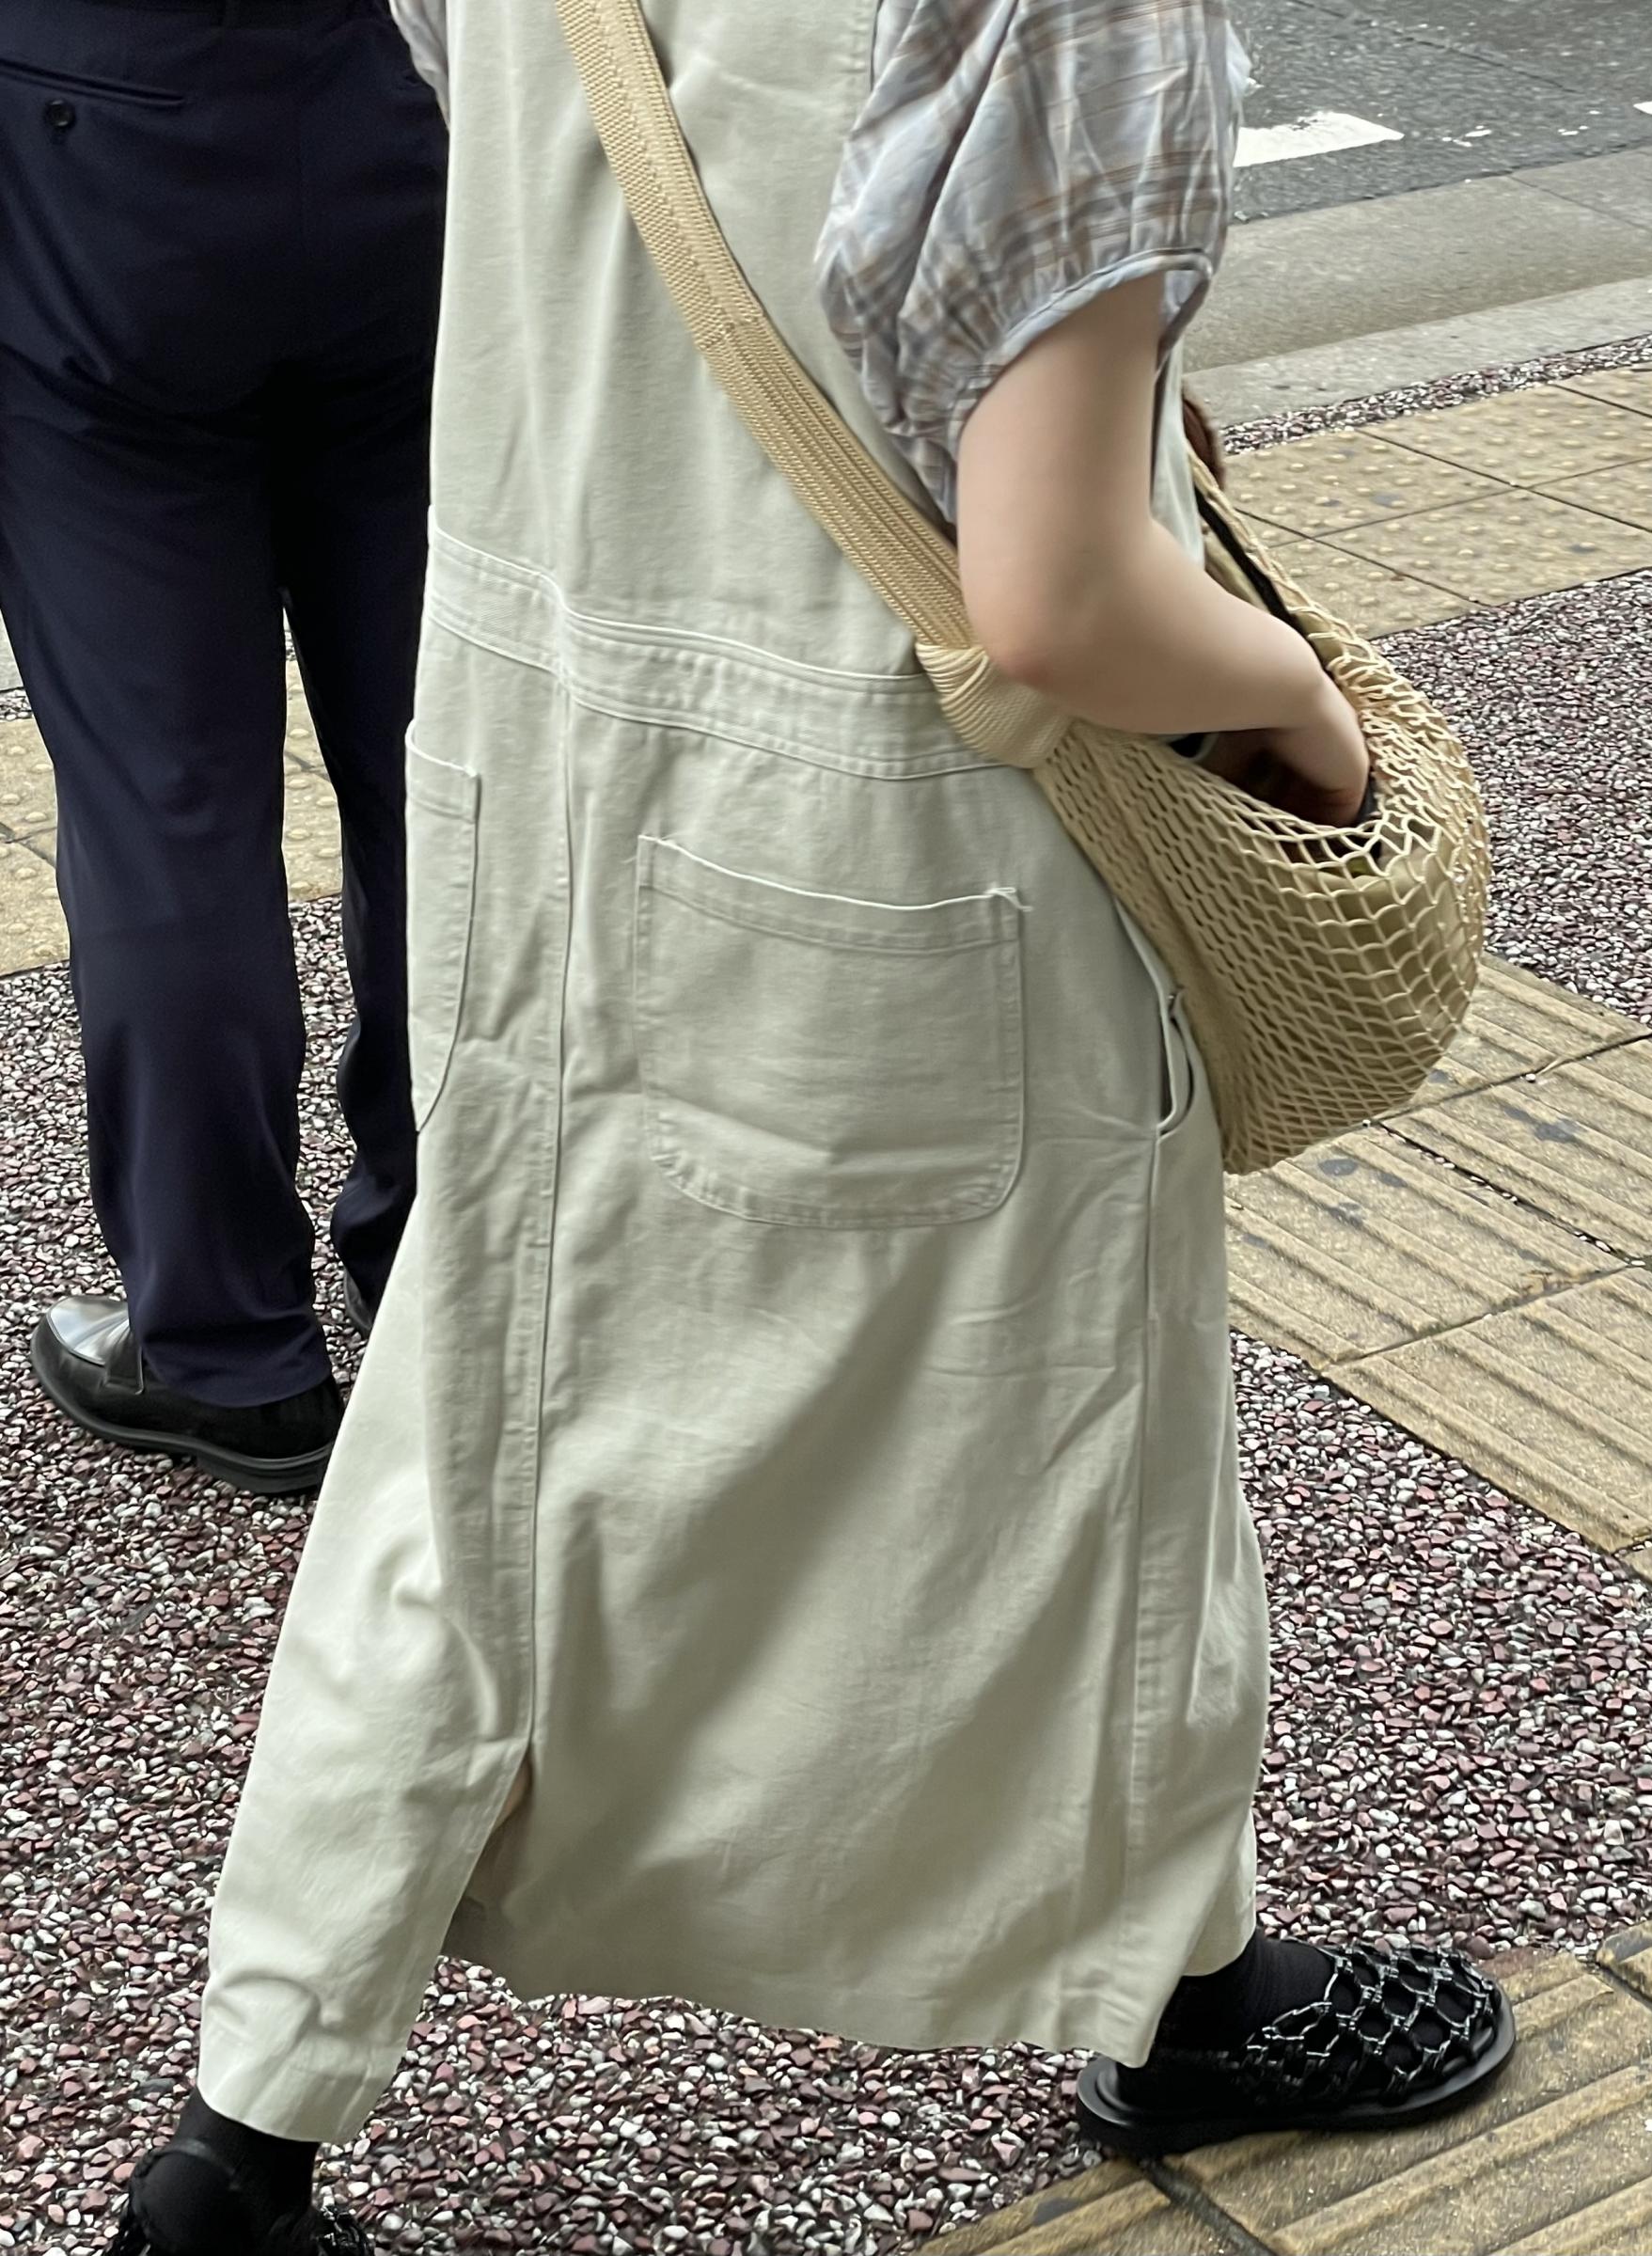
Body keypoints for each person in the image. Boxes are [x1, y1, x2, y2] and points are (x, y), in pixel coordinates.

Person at [107, 2, 1515, 2248]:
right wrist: (1308, 712)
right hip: (890, 814)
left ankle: (240, 2148)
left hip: (541, 742)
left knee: (478, 1432)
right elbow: (1057, 604)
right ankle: (1187, 1991)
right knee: (1093, 1430)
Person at [0, 0, 448, 1497]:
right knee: (439, 770)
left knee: (163, 804)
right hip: (382, 110)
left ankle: (230, 1351)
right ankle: (451, 1263)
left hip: (86, 139)